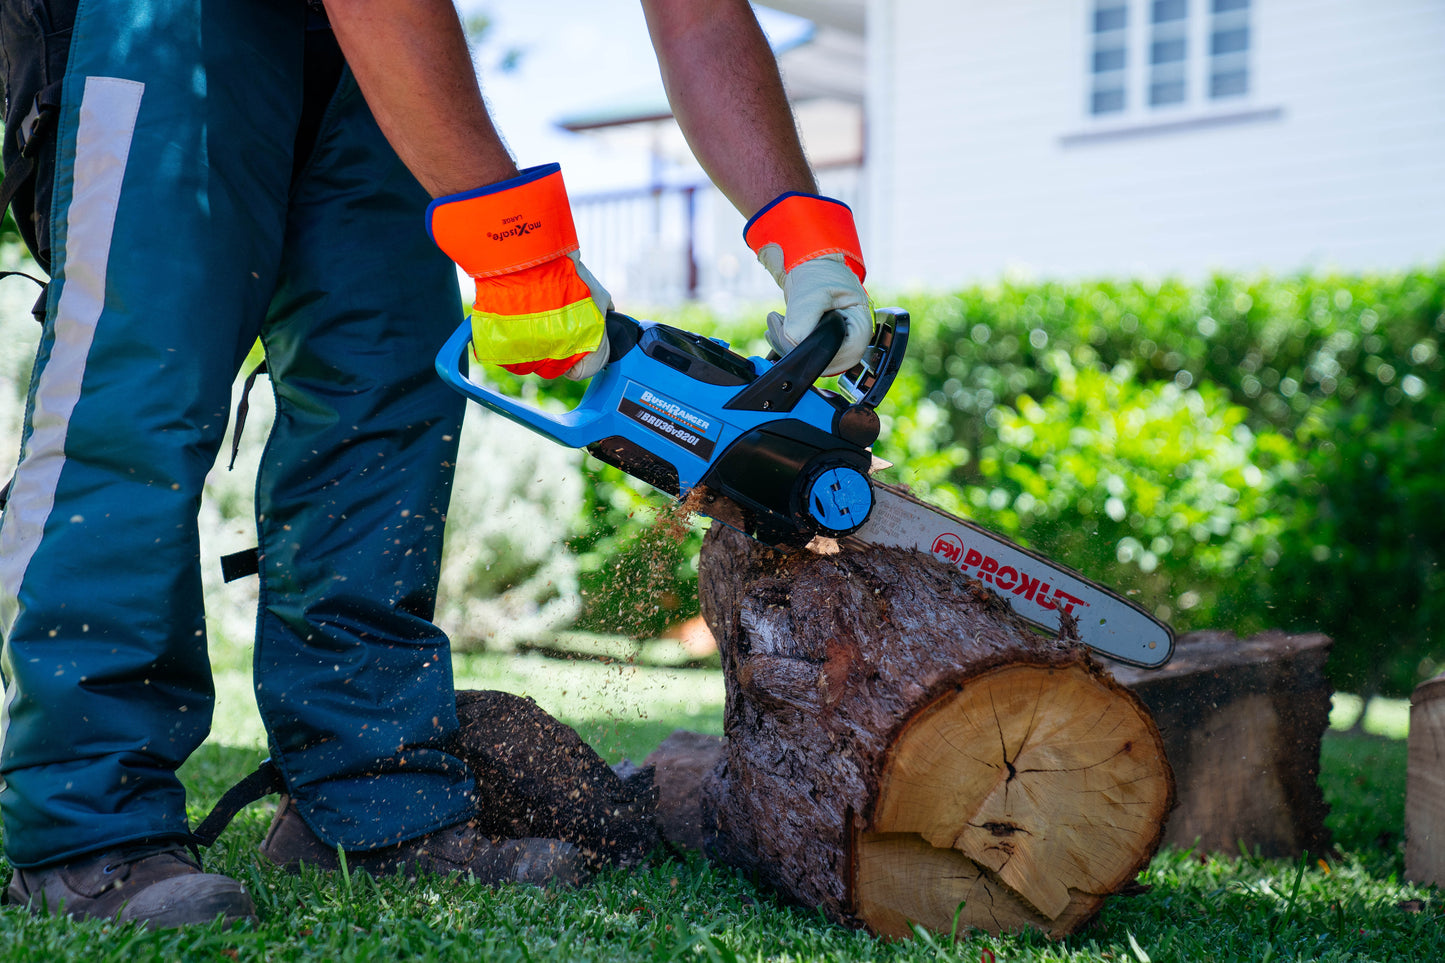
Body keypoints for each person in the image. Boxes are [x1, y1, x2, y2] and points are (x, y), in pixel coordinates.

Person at [0, 0, 872, 929]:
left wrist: (810, 245)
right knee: (139, 384)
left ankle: (370, 805)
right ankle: (86, 826)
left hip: (362, 46)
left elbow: (696, 16)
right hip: (164, 22)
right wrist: (517, 251)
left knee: (384, 391)